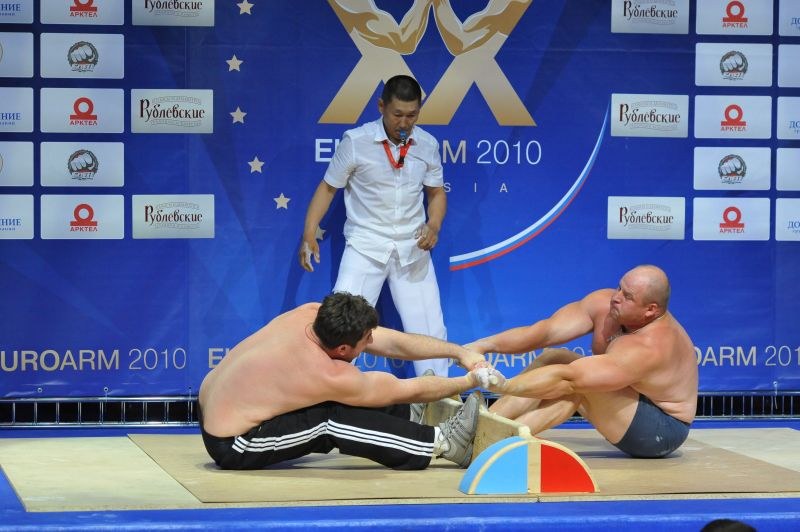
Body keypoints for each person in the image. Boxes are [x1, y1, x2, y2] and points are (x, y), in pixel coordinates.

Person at [198, 292, 489, 471]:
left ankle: (408, 415)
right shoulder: (323, 373)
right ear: (342, 351)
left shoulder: (312, 313)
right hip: (234, 444)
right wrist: (470, 380)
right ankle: (443, 444)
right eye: (366, 341)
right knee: (330, 420)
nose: (372, 342)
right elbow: (402, 390)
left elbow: (394, 344)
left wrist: (459, 352)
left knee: (354, 398)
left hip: (218, 407)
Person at [299, 74, 449, 380]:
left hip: (412, 250)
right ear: (381, 106)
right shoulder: (356, 142)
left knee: (430, 331)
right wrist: (308, 233)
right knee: (338, 328)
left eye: (412, 115)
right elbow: (328, 188)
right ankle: (330, 404)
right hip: (364, 248)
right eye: (397, 115)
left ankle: (438, 408)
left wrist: (433, 225)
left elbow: (436, 193)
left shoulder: (428, 145)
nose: (404, 123)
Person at [466, 265, 698, 458]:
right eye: (619, 287)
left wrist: (502, 385)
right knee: (554, 357)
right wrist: (481, 346)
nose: (616, 297)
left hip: (661, 430)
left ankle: (493, 444)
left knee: (575, 387)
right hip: (631, 400)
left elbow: (570, 379)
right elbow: (544, 332)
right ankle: (476, 429)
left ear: (650, 310)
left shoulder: (649, 346)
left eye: (627, 297)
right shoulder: (605, 305)